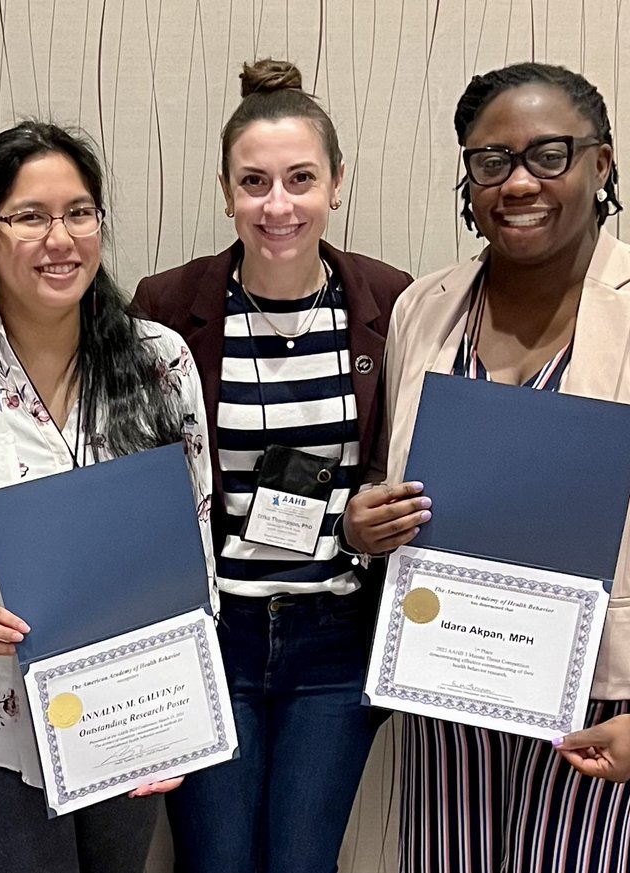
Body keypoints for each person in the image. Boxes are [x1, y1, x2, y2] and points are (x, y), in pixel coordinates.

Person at [344, 61, 630, 873]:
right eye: (492, 161)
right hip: (448, 674)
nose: (519, 182)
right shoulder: (427, 306)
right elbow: (393, 478)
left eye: (549, 155)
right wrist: (363, 523)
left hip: (602, 694)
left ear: (602, 163)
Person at [0, 121, 213, 873]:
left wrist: (182, 712)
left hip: (130, 706)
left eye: (79, 213)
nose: (59, 239)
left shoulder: (160, 361)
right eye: (29, 216)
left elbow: (192, 538)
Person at [131, 59, 416, 873]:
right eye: (254, 182)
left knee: (302, 860)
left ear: (337, 184)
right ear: (226, 192)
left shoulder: (390, 302)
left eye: (301, 179)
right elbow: (141, 481)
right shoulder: (167, 307)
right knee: (214, 860)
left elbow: (407, 456)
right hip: (213, 635)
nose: (278, 205)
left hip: (334, 638)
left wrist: (365, 520)